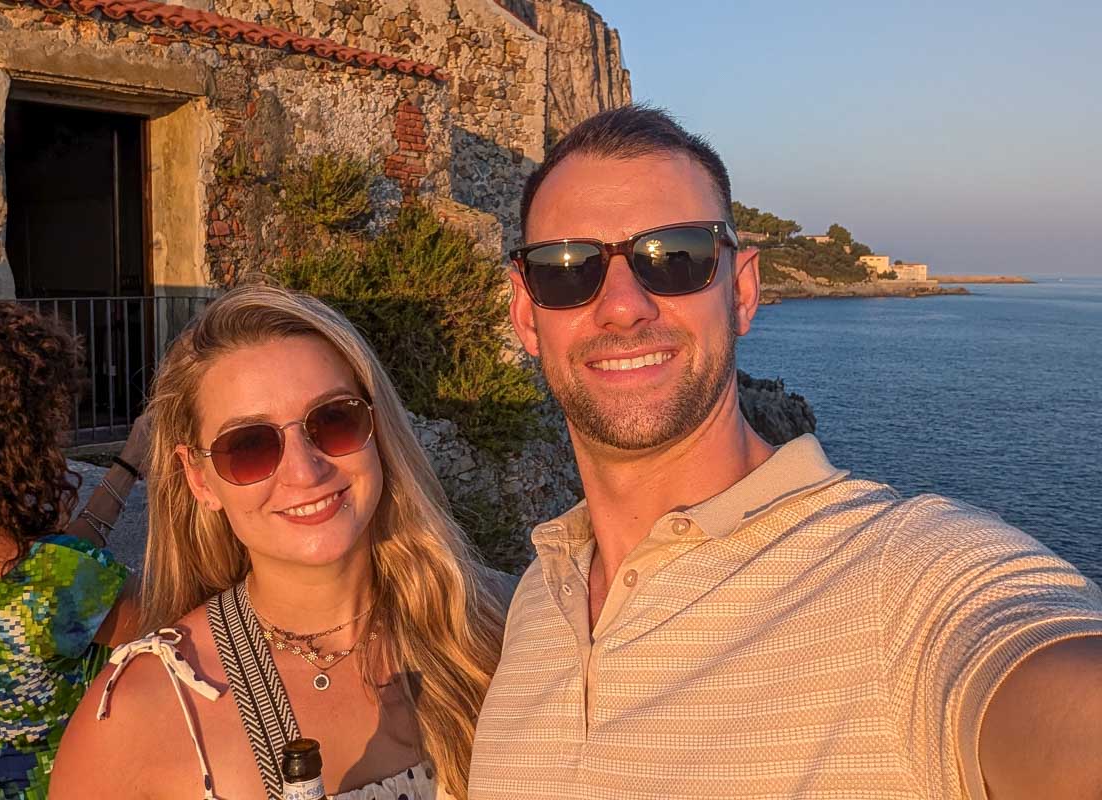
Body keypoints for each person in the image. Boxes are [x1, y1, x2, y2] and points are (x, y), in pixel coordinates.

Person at [467, 105, 1102, 799]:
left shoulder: (901, 580)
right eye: (568, 268)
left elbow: (1039, 675)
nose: (623, 305)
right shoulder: (535, 603)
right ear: (527, 315)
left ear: (742, 291)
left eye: (674, 258)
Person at [51, 285, 511, 800]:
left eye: (334, 420)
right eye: (248, 446)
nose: (305, 470)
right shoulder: (139, 715)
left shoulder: (497, 633)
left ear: (376, 427)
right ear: (200, 480)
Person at [0, 302, 147, 799]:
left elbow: (49, 577)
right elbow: (202, 625)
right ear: (8, 438)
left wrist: (129, 461)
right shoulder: (60, 581)